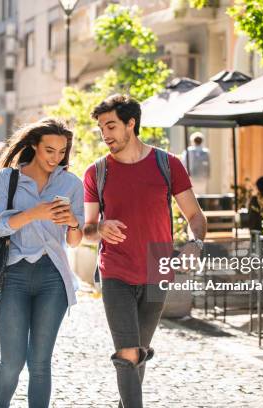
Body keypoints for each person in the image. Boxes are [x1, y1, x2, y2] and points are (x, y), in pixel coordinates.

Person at [83, 94, 207, 408]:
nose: (105, 134)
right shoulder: (97, 172)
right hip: (115, 270)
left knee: (137, 353)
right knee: (127, 351)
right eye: (101, 128)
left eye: (110, 125)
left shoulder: (168, 165)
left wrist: (195, 243)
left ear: (131, 123)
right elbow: (85, 228)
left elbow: (195, 215)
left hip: (157, 267)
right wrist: (100, 227)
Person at [0, 117, 84, 408]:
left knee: (40, 363)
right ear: (33, 146)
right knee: (12, 362)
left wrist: (73, 222)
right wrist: (34, 213)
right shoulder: (7, 179)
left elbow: (74, 241)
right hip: (13, 275)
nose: (56, 158)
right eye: (49, 150)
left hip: (53, 277)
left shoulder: (71, 183)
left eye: (61, 151)